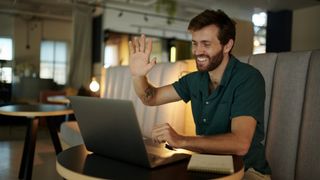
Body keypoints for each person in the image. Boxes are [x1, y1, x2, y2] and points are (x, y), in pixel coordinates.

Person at [129, 9, 271, 179]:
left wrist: (181, 140)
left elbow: (240, 144)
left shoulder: (248, 78)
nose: (197, 51)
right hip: (206, 166)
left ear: (227, 45)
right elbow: (151, 98)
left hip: (247, 172)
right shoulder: (194, 80)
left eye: (206, 44)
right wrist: (138, 75)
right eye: (195, 43)